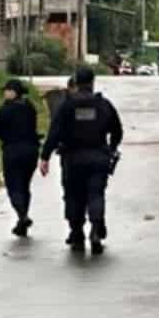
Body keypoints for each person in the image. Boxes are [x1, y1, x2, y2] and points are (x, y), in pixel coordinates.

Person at [39, 67, 123, 255]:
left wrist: (45, 156)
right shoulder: (103, 105)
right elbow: (117, 130)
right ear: (93, 82)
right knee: (96, 194)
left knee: (73, 196)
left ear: (75, 83)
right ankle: (95, 232)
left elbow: (54, 133)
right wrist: (111, 148)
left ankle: (77, 234)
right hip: (98, 158)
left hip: (73, 159)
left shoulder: (66, 106)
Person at [0, 79, 40, 237]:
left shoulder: (6, 109)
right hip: (31, 150)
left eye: (6, 90)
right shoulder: (30, 107)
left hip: (13, 151)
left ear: (14, 92)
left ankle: (22, 216)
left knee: (14, 186)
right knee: (24, 186)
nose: (4, 93)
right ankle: (22, 223)